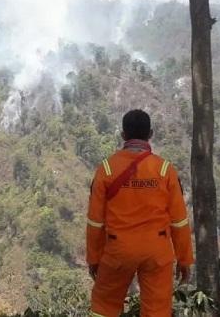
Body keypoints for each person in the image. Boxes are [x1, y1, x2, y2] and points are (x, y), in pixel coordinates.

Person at [86, 109, 194, 317]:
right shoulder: (165, 170)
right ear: (150, 134)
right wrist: (184, 259)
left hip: (119, 249)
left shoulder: (106, 169)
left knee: (104, 307)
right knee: (157, 311)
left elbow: (95, 222)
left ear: (123, 135)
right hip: (157, 250)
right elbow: (179, 221)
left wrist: (94, 258)